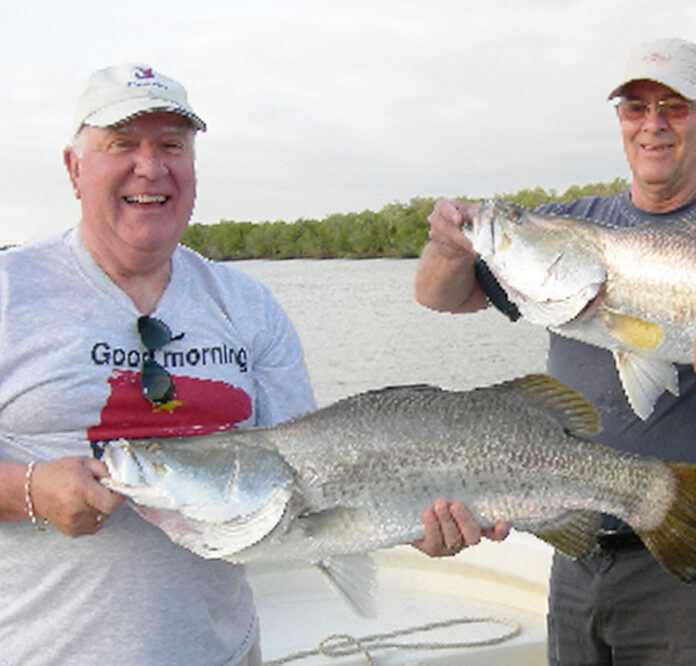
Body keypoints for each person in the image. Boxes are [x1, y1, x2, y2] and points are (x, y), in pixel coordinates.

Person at [0, 62, 503, 666]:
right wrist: (26, 489)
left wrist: (407, 513)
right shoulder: (10, 291)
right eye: (121, 144)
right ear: (74, 167)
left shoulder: (248, 306)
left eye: (172, 146)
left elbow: (309, 480)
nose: (150, 166)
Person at [414, 38, 696, 665]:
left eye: (674, 107)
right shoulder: (571, 228)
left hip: (695, 561)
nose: (652, 125)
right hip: (577, 549)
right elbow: (440, 296)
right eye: (634, 107)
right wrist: (451, 246)